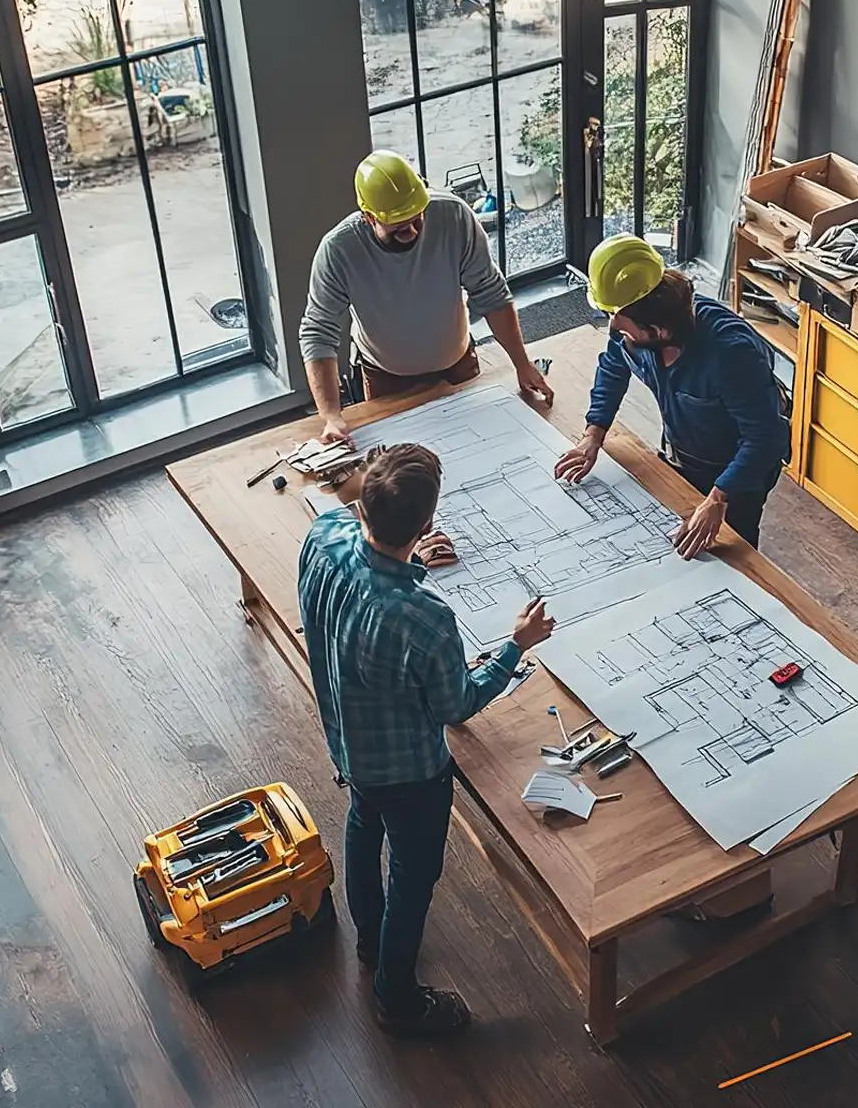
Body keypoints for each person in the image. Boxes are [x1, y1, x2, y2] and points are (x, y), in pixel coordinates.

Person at [297, 443, 555, 1038]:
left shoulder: (324, 538)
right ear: (426, 524)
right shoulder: (423, 617)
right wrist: (517, 643)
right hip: (411, 773)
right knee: (414, 875)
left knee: (363, 823)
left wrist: (405, 547)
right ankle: (396, 998)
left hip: (349, 741)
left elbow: (339, 523)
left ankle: (369, 938)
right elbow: (457, 704)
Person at [554, 235, 789, 555]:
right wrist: (593, 435)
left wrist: (719, 497)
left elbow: (766, 439)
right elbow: (613, 367)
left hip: (740, 472)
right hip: (682, 453)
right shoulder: (635, 336)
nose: (612, 328)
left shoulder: (731, 355)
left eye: (618, 320)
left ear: (659, 329)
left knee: (732, 554)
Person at [299, 150, 553, 443]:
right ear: (369, 217)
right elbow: (318, 332)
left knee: (478, 446)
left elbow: (491, 293)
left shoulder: (454, 217)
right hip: (386, 378)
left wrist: (522, 363)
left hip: (458, 365)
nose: (411, 232)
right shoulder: (338, 250)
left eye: (416, 219)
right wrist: (331, 416)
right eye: (398, 227)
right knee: (403, 465)